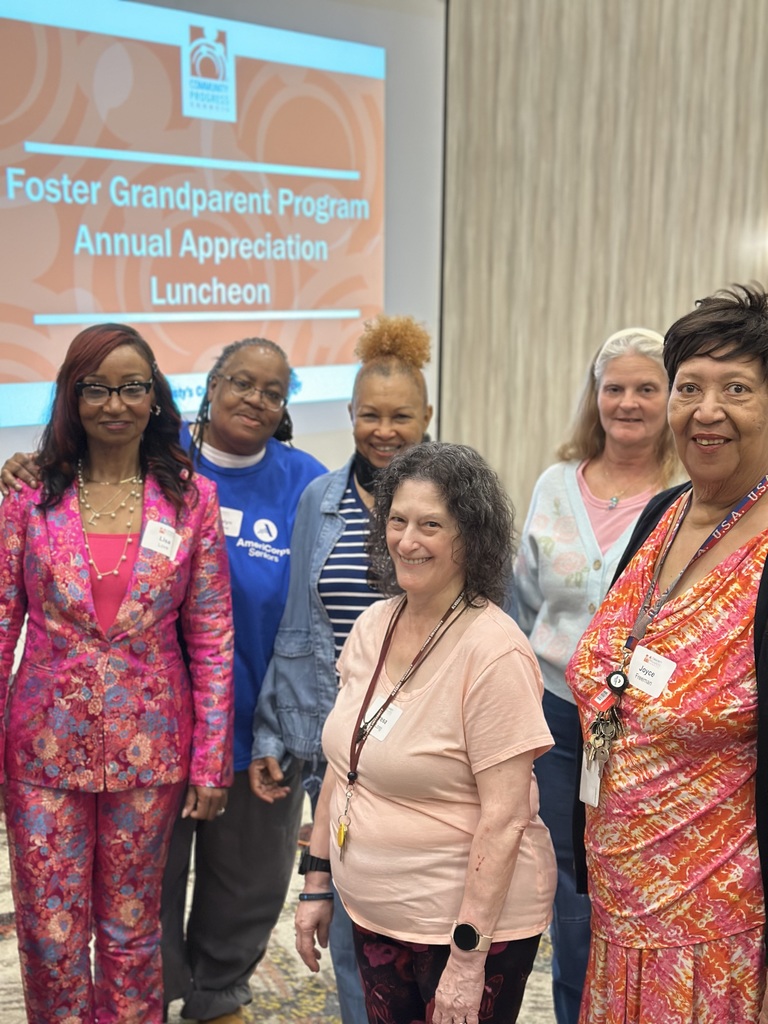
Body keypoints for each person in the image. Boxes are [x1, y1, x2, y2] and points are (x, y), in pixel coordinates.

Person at [1, 334, 327, 1024]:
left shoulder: (189, 500)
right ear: (71, 396)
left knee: (131, 933)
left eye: (132, 388)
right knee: (52, 934)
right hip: (43, 756)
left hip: (151, 755)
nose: (115, 404)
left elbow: (212, 638)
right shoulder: (27, 497)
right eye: (97, 388)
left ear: (156, 399)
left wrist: (211, 762)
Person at [294, 441, 557, 1024]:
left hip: (466, 932)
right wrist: (316, 883)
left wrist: (468, 962)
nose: (407, 541)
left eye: (431, 525)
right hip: (376, 914)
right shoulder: (373, 624)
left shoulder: (494, 651)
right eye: (397, 521)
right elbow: (346, 762)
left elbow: (506, 816)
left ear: (471, 536)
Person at [567, 283, 768, 1024]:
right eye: (691, 387)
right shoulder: (664, 510)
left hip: (719, 922)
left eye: (737, 388)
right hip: (622, 901)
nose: (707, 410)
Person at [250, 314, 434, 1023]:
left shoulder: (459, 496)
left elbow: (488, 623)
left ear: (428, 416)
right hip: (334, 740)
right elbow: (295, 629)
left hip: (422, 743)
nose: (384, 430)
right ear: (350, 415)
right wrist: (273, 734)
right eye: (369, 415)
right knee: (347, 907)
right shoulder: (317, 500)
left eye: (400, 416)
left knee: (418, 911)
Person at [513, 328, 678, 1024]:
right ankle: (576, 1007)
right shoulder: (555, 485)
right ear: (596, 396)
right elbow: (524, 594)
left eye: (647, 388)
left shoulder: (689, 492)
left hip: (644, 728)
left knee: (636, 877)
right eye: (615, 388)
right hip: (554, 715)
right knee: (568, 885)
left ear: (672, 399)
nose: (629, 402)